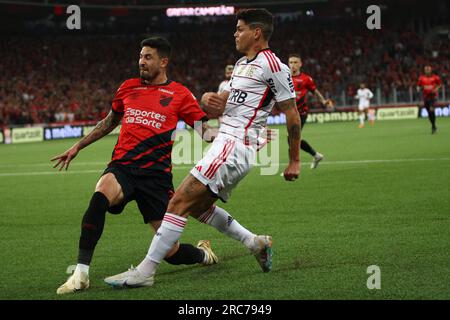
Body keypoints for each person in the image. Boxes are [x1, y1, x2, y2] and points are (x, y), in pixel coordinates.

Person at [104, 8, 301, 289]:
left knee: (177, 202)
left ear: (256, 33)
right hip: (225, 142)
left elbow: (291, 113)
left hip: (234, 146)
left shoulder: (274, 65)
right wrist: (211, 99)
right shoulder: (243, 64)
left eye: (239, 28)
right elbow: (223, 103)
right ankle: (254, 242)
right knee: (199, 208)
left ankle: (146, 271)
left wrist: (294, 161)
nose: (235, 33)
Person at [52, 37, 220, 295]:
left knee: (171, 252)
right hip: (123, 167)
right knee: (99, 198)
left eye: (148, 57)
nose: (141, 61)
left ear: (164, 62)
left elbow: (205, 131)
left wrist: (232, 136)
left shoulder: (180, 94)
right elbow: (109, 122)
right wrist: (78, 146)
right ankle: (81, 273)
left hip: (156, 178)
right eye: (141, 56)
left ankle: (203, 254)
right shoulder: (128, 88)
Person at [287, 54, 332, 169]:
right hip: (290, 113)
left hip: (301, 113)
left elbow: (315, 91)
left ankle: (293, 166)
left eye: (295, 62)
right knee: (292, 138)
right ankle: (316, 155)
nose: (293, 65)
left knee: (292, 137)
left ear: (300, 64)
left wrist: (323, 101)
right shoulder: (284, 77)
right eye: (291, 62)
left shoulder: (306, 79)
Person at [417, 65, 442, 134]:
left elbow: (440, 85)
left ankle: (433, 127)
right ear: (424, 71)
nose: (427, 70)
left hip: (433, 97)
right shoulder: (421, 78)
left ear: (431, 70)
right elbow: (418, 86)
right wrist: (419, 89)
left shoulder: (435, 77)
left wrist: (436, 89)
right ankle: (433, 126)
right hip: (426, 97)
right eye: (426, 69)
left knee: (431, 110)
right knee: (429, 113)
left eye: (428, 69)